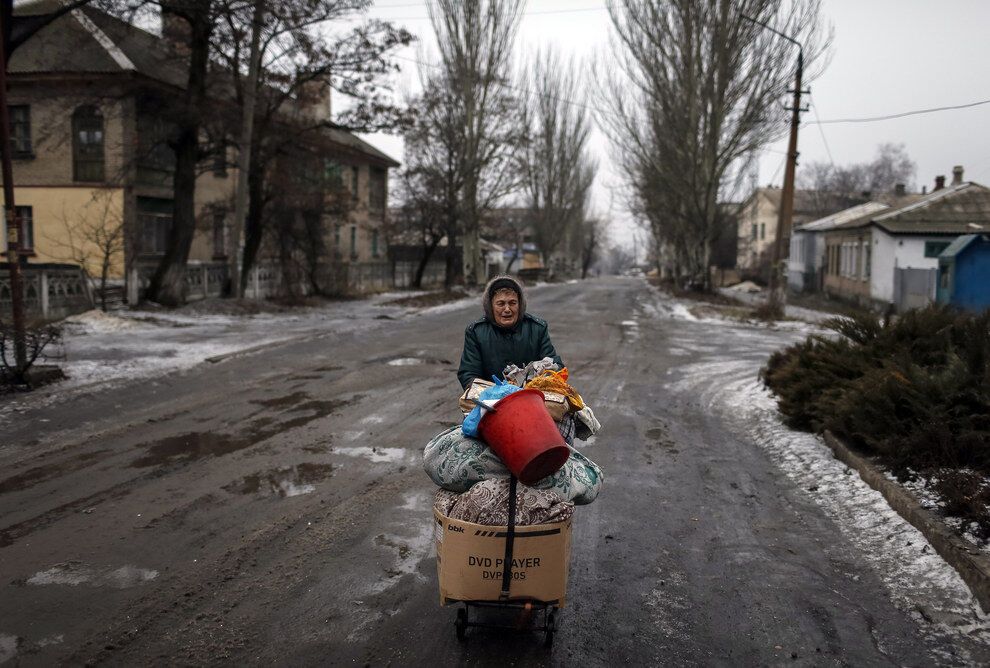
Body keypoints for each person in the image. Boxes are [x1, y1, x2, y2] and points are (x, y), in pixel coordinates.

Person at [457, 275, 563, 389]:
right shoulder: (476, 332)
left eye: (512, 303)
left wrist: (543, 375)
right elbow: (468, 374)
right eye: (501, 304)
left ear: (520, 304)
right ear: (490, 307)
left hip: (532, 398)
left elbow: (554, 365)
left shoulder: (537, 328)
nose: (507, 309)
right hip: (491, 401)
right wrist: (493, 393)